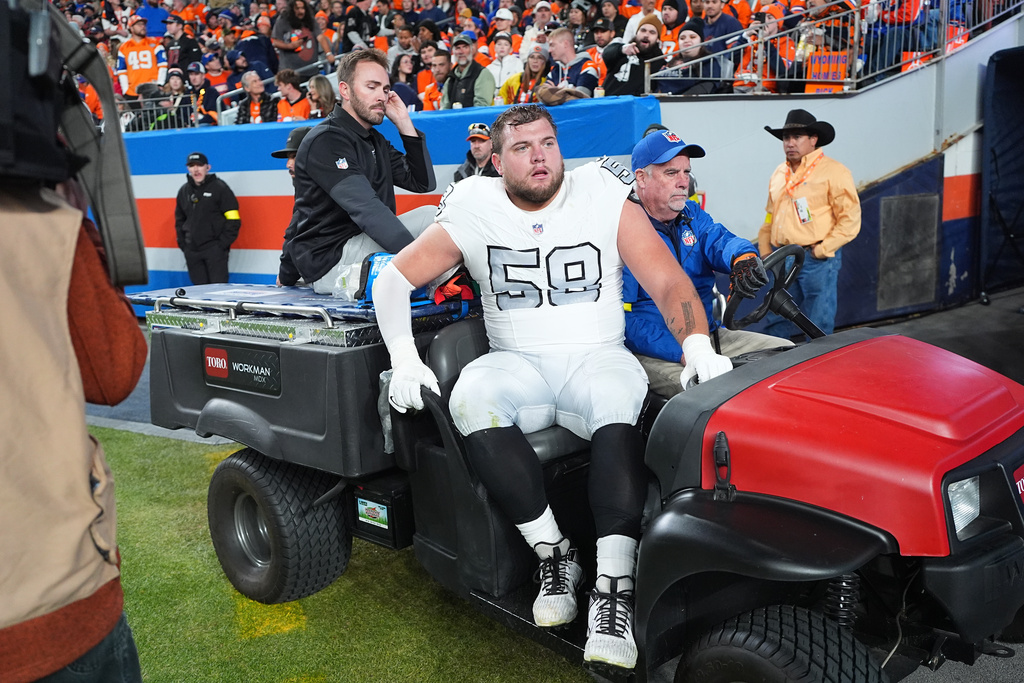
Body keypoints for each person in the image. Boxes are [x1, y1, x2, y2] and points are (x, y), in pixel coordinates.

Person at [373, 104, 732, 672]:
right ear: (496, 159)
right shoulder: (473, 204)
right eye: (522, 147)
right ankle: (554, 553)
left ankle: (613, 585)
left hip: (596, 357)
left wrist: (696, 346)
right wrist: (403, 355)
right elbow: (393, 279)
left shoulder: (602, 193)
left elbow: (667, 280)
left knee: (618, 393)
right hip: (519, 361)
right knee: (471, 395)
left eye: (547, 143)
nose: (539, 156)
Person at [622, 128, 792, 397]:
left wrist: (743, 257)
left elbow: (720, 240)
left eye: (686, 172)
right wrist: (685, 351)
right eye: (671, 173)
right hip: (654, 350)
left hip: (708, 336)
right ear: (641, 178)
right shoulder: (622, 231)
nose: (683, 183)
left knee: (788, 356)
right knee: (709, 392)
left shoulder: (691, 215)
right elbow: (624, 319)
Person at [284, 50, 436, 294]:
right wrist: (419, 261)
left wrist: (404, 124)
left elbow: (423, 183)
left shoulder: (373, 140)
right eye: (372, 87)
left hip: (362, 246)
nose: (381, 96)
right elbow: (367, 210)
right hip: (332, 261)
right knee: (429, 228)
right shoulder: (326, 140)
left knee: (436, 216)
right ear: (345, 90)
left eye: (386, 89)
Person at [758, 109, 861, 337]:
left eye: (797, 137)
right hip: (782, 257)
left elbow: (850, 219)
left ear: (813, 140)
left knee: (817, 325)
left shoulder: (834, 172)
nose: (790, 143)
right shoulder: (779, 173)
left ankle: (817, 371)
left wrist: (822, 250)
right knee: (778, 323)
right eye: (786, 138)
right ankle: (777, 369)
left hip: (816, 259)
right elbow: (769, 215)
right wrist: (765, 248)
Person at [174, 152, 242, 284]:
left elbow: (233, 219)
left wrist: (220, 245)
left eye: (199, 165)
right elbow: (179, 220)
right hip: (192, 252)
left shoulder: (220, 188)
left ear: (208, 167)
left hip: (214, 251)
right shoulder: (184, 191)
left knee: (218, 294)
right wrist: (185, 245)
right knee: (198, 296)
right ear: (188, 169)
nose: (196, 169)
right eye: (192, 166)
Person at [273, 127, 316, 286]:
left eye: (295, 156)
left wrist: (286, 275)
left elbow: (296, 235)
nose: (288, 164)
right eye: (288, 158)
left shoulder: (317, 190)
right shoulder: (304, 187)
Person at [654, 17, 727, 94]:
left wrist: (681, 99)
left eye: (692, 37)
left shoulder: (709, 61)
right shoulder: (672, 62)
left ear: (701, 42)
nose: (687, 41)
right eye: (682, 38)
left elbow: (708, 85)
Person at [602, 13, 664, 96]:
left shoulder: (659, 63)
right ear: (636, 33)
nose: (646, 35)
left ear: (658, 39)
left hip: (635, 106)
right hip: (608, 101)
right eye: (643, 30)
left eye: (652, 32)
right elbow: (606, 54)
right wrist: (622, 50)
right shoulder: (622, 51)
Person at [535, 27, 598, 103]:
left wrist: (555, 91)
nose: (549, 50)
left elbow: (580, 98)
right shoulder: (555, 69)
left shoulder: (588, 66)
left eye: (552, 45)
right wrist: (567, 92)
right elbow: (542, 95)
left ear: (565, 44)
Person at [272, 0, 336, 72]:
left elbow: (320, 37)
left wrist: (328, 54)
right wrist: (289, 46)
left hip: (311, 69)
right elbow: (275, 42)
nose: (301, 11)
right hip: (290, 70)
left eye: (303, 8)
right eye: (297, 8)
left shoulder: (310, 19)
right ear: (292, 9)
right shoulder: (283, 20)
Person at [116, 15, 168, 104]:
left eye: (143, 24)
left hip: (153, 89)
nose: (143, 26)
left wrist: (160, 83)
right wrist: (126, 90)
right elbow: (122, 71)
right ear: (131, 28)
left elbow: (163, 65)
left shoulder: (155, 43)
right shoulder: (124, 47)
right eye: (139, 24)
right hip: (132, 92)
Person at [441, 33, 497, 108]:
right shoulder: (451, 79)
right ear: (453, 52)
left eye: (465, 47)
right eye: (458, 48)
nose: (461, 51)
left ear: (471, 50)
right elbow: (445, 108)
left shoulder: (482, 74)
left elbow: (481, 108)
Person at [486, 32, 525, 102]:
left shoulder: (517, 63)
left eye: (506, 44)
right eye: (499, 44)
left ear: (511, 49)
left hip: (512, 102)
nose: (502, 47)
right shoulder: (489, 68)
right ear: (494, 48)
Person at [186, 61, 220, 125]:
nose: (194, 78)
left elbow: (213, 114)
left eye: (196, 74)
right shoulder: (188, 93)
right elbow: (183, 113)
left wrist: (197, 122)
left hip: (209, 127)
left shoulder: (211, 92)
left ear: (203, 75)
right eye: (191, 74)